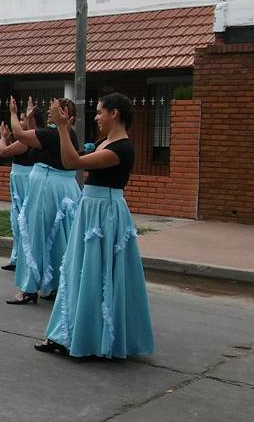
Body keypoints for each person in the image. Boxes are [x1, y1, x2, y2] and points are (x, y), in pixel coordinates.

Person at [36, 93, 154, 359]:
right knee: (81, 269)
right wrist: (64, 132)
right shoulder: (105, 143)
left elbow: (72, 163)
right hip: (92, 210)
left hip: (105, 214)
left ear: (115, 113)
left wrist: (63, 128)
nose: (97, 117)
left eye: (100, 112)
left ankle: (85, 338)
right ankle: (73, 333)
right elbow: (71, 158)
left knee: (93, 272)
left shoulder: (121, 148)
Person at [5, 96, 81, 304]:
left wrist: (13, 112)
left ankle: (29, 288)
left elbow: (20, 134)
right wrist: (31, 119)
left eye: (56, 110)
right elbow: (35, 138)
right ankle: (54, 284)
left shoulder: (52, 133)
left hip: (46, 187)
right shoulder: (68, 135)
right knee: (57, 238)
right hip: (64, 188)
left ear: (69, 116)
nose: (51, 111)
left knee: (33, 233)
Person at [0, 108, 45, 272]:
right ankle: (16, 258)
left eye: (23, 119)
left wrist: (3, 138)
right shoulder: (26, 140)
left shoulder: (26, 141)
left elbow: (3, 151)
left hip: (24, 182)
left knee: (22, 221)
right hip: (18, 181)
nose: (20, 122)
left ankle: (22, 259)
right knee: (17, 221)